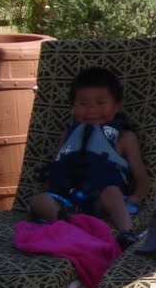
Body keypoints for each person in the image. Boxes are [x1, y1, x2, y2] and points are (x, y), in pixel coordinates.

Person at [31, 66, 149, 246]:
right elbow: (57, 167)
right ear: (73, 105)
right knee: (39, 201)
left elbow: (141, 176)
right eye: (83, 103)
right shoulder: (67, 135)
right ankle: (70, 222)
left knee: (112, 192)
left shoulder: (124, 138)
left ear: (117, 106)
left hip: (100, 201)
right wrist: (50, 193)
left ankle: (127, 233)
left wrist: (136, 198)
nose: (92, 109)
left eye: (101, 103)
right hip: (67, 200)